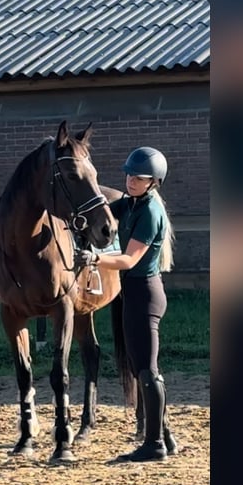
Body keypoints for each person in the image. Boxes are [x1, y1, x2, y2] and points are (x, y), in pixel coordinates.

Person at [74, 146, 178, 462]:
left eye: (140, 177)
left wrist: (95, 258)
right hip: (133, 295)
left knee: (147, 370)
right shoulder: (130, 204)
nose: (131, 180)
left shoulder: (149, 212)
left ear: (154, 182)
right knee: (139, 366)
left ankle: (154, 445)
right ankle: (166, 437)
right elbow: (101, 214)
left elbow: (129, 260)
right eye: (130, 175)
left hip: (145, 294)